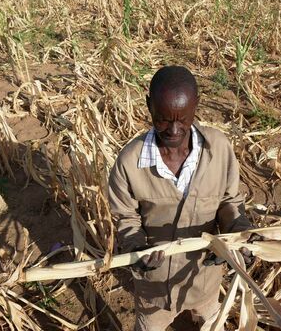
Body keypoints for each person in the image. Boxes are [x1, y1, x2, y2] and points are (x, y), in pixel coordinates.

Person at [107, 65, 252, 331]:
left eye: (183, 119)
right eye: (162, 119)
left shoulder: (219, 149)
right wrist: (137, 248)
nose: (174, 130)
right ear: (149, 105)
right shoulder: (129, 163)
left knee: (211, 323)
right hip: (154, 291)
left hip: (204, 280)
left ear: (197, 105)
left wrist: (239, 235)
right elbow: (125, 217)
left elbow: (229, 203)